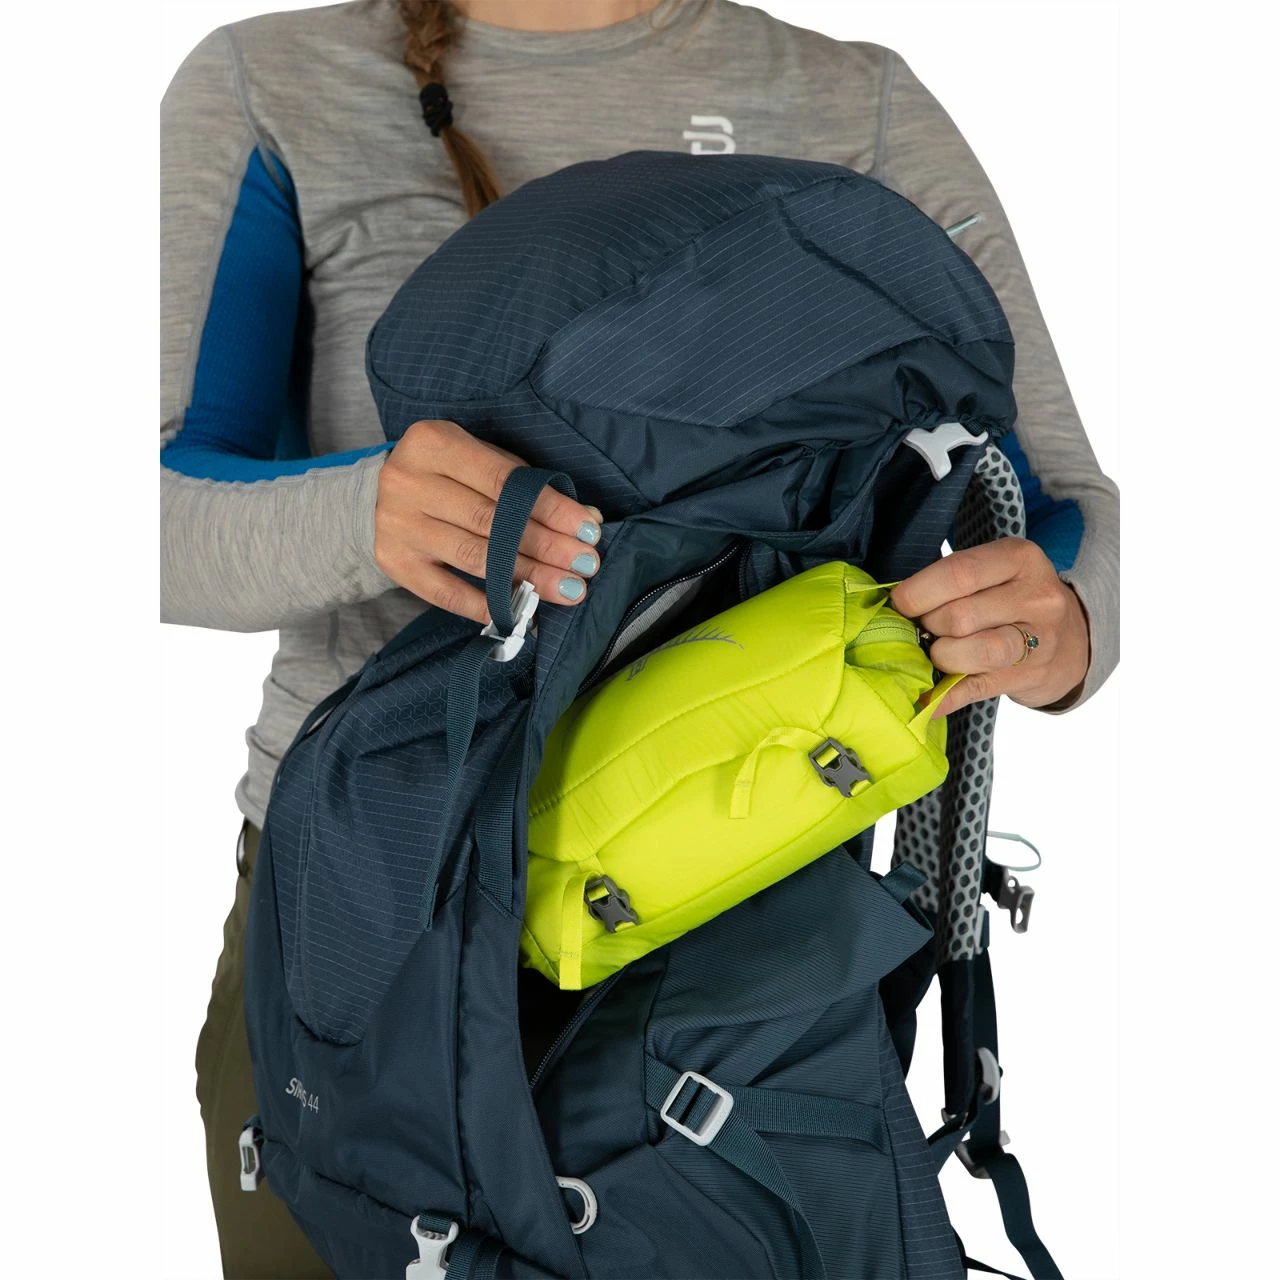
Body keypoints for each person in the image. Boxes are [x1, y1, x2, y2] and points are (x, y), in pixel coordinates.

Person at [160, 0, 1120, 1273]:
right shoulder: (277, 82)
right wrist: (367, 509)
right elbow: (146, 519)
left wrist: (1057, 622)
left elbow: (1052, 504)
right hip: (363, 915)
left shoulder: (853, 103)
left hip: (744, 908)